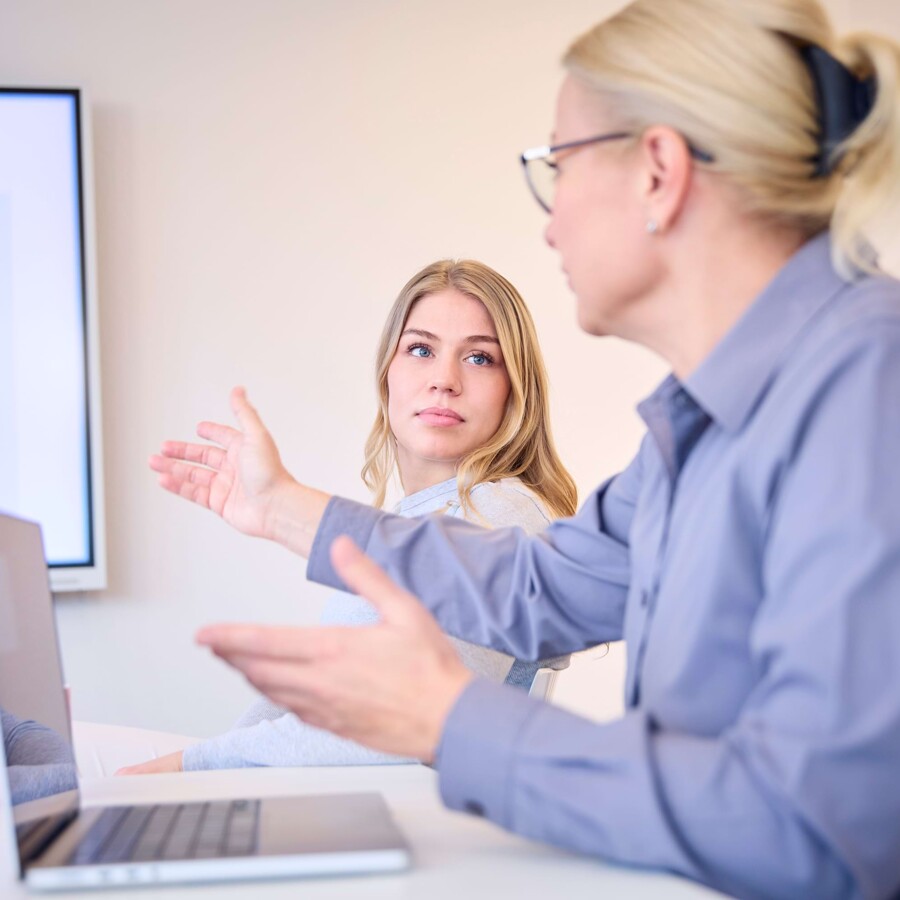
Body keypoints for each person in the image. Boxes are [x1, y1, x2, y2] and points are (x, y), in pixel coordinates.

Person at [149, 0, 900, 896]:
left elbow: (813, 827)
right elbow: (538, 585)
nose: (549, 221)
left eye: (557, 163)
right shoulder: (697, 428)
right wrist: (277, 508)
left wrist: (448, 720)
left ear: (657, 171)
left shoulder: (866, 390)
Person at [122, 259, 576, 775]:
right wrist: (208, 763)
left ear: (515, 388)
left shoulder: (497, 512)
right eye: (421, 350)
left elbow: (409, 718)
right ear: (387, 375)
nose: (444, 380)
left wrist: (196, 765)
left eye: (478, 358)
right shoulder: (419, 519)